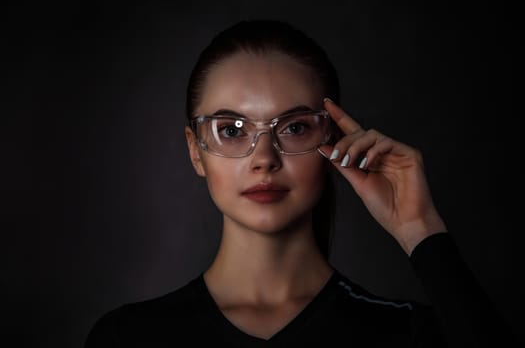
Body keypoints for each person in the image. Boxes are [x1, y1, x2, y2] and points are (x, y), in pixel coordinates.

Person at [84, 19, 519, 347]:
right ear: (195, 150)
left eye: (294, 128)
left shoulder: (406, 332)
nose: (264, 159)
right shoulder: (127, 337)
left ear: (331, 140)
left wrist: (419, 227)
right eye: (232, 130)